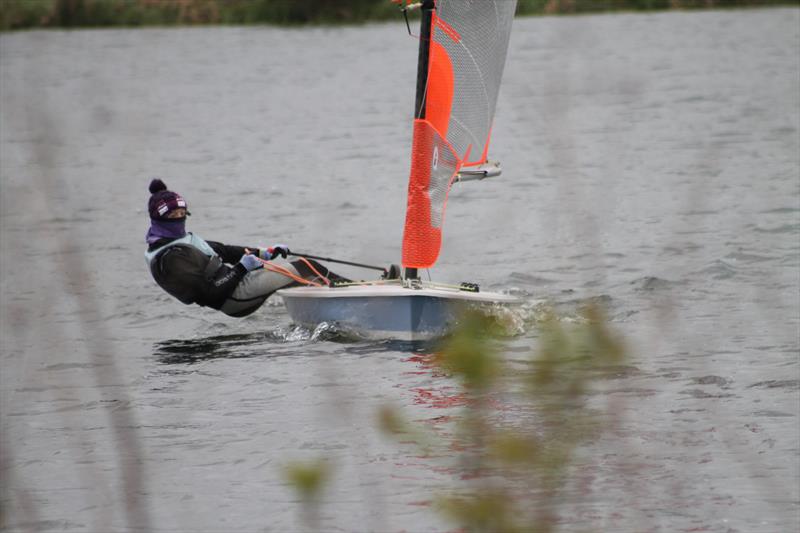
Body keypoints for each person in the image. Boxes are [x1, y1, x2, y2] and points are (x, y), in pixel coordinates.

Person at [144, 179, 346, 317]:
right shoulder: (172, 259)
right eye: (172, 216)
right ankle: (354, 289)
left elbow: (223, 251)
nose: (179, 219)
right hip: (234, 298)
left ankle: (333, 311)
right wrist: (242, 268)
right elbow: (211, 293)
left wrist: (264, 252)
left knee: (302, 278)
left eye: (182, 213)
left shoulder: (179, 241)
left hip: (236, 283)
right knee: (305, 266)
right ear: (158, 219)